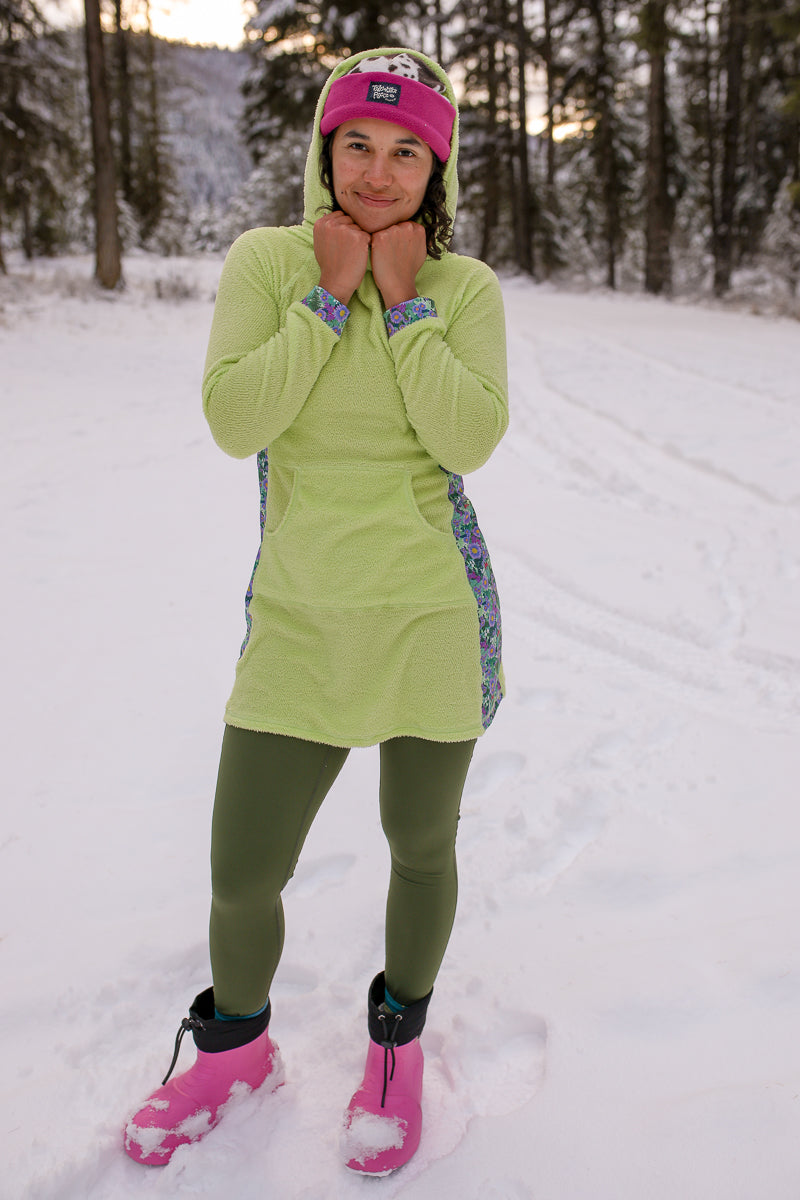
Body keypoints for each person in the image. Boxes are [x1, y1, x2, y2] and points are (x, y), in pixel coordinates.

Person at [123, 46, 508, 1176]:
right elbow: (236, 420)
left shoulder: (464, 289)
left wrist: (405, 305)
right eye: (357, 145)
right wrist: (327, 295)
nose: (378, 173)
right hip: (299, 614)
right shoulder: (268, 262)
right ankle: (235, 1053)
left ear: (437, 170)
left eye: (406, 154)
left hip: (427, 613)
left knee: (419, 846)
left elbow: (468, 437)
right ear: (322, 151)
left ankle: (395, 1051)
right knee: (243, 871)